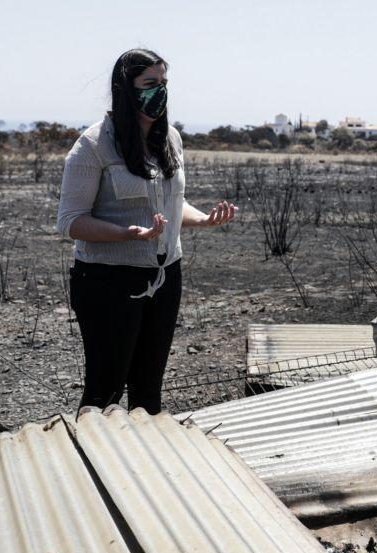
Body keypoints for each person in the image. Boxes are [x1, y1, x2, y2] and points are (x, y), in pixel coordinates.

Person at [56, 48, 237, 414]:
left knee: (148, 391)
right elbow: (70, 221)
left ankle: (140, 466)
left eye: (164, 84)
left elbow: (169, 205)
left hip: (165, 275)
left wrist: (203, 220)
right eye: (150, 84)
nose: (160, 92)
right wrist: (125, 234)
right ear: (126, 89)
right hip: (109, 281)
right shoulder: (93, 145)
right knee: (104, 390)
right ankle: (90, 465)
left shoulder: (170, 138)